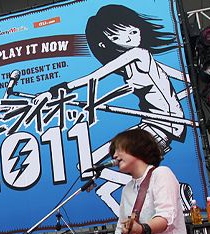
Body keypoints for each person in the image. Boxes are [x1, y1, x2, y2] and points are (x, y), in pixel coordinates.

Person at [54, 5, 189, 214]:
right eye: (118, 35)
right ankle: (131, 224)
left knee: (88, 165)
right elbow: (181, 79)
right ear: (107, 40)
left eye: (133, 30)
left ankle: (167, 191)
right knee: (103, 189)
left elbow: (95, 76)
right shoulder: (133, 62)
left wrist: (61, 89)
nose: (130, 36)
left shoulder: (139, 54)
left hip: (162, 126)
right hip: (151, 124)